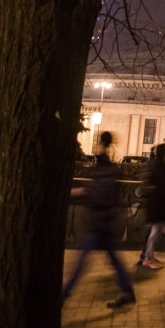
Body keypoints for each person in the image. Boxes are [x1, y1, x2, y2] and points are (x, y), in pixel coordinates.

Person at [62, 132, 136, 308]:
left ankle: (63, 295)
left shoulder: (105, 170)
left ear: (103, 146)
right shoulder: (107, 169)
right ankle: (127, 291)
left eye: (98, 144)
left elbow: (100, 194)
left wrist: (82, 193)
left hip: (99, 223)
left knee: (80, 262)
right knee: (112, 260)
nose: (95, 148)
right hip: (103, 221)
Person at [138, 142, 165, 269]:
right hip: (156, 204)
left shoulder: (162, 166)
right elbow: (162, 183)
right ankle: (148, 259)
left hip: (159, 203)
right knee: (155, 231)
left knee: (161, 228)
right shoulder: (158, 167)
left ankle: (150, 255)